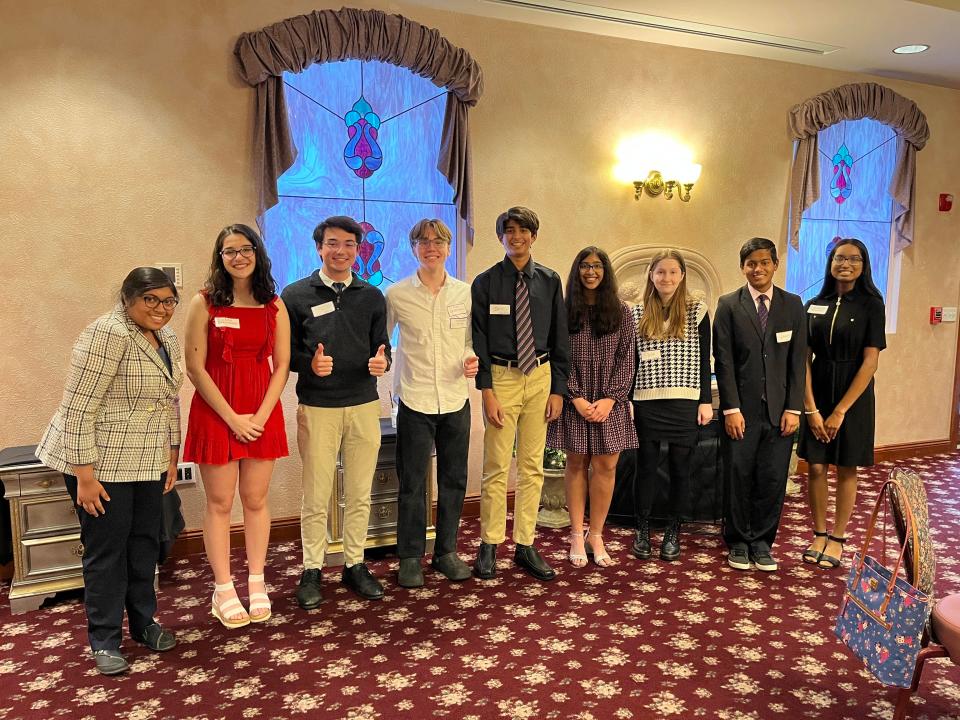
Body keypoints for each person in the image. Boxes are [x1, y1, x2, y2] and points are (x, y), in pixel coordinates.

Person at [36, 267, 183, 676]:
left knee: (144, 545)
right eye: (150, 300)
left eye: (168, 300)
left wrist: (172, 456)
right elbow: (78, 408)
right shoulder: (107, 333)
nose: (161, 308)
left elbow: (170, 400)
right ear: (128, 298)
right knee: (107, 552)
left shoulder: (166, 336)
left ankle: (143, 623)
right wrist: (84, 474)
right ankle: (104, 639)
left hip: (147, 460)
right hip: (101, 463)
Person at [183, 224, 290, 628]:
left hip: (261, 411)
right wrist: (231, 418)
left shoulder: (273, 305)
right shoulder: (204, 302)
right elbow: (195, 367)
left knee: (257, 500)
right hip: (217, 410)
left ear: (258, 254)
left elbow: (281, 366)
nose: (239, 257)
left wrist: (259, 418)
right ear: (220, 257)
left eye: (246, 249)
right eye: (230, 251)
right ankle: (223, 588)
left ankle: (257, 581)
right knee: (220, 503)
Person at [282, 216, 391, 606]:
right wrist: (307, 363)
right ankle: (312, 568)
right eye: (332, 243)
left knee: (359, 491)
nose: (340, 250)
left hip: (363, 405)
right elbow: (286, 353)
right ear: (319, 248)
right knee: (316, 492)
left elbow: (382, 347)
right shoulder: (295, 295)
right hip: (318, 407)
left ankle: (354, 563)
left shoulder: (372, 296)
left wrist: (383, 363)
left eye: (348, 244)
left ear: (358, 249)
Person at [471, 206, 569, 582]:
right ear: (501, 237)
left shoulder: (549, 279)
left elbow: (560, 338)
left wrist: (558, 389)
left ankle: (525, 544)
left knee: (532, 466)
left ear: (534, 236)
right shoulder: (486, 282)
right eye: (509, 231)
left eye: (523, 231)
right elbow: (478, 340)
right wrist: (486, 391)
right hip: (502, 377)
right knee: (496, 466)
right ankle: (489, 544)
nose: (516, 237)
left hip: (540, 376)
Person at [386, 219, 477, 588]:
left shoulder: (465, 293)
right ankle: (410, 556)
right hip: (414, 400)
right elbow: (381, 344)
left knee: (454, 480)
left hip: (456, 399)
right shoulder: (396, 295)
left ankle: (446, 552)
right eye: (422, 242)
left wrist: (473, 358)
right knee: (412, 482)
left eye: (438, 241)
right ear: (413, 248)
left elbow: (471, 341)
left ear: (448, 247)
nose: (431, 247)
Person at [713, 237, 806, 572]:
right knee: (738, 476)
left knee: (772, 477)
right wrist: (730, 409)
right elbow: (722, 361)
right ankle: (737, 540)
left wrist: (794, 408)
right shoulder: (728, 305)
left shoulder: (793, 305)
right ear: (743, 268)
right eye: (751, 263)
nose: (758, 269)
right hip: (742, 412)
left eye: (764, 262)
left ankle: (763, 542)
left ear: (775, 264)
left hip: (781, 412)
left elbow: (798, 361)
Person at [798, 238, 885, 569]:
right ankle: (818, 532)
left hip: (854, 396)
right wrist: (811, 409)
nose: (845, 264)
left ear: (864, 265)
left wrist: (839, 411)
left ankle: (837, 537)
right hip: (817, 387)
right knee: (816, 466)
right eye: (839, 258)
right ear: (829, 262)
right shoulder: (814, 304)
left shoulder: (871, 305)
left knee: (846, 467)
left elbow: (870, 363)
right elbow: (803, 359)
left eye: (854, 259)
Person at [547, 247, 636, 568]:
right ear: (577, 270)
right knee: (575, 463)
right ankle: (574, 534)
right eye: (584, 265)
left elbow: (628, 357)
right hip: (576, 400)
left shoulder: (622, 312)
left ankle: (595, 534)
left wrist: (612, 397)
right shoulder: (564, 310)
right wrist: (577, 397)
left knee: (606, 466)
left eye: (597, 266)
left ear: (606, 271)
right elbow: (557, 355)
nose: (591, 272)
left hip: (609, 402)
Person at [630, 249, 713, 562]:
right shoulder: (635, 312)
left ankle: (672, 530)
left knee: (681, 468)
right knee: (646, 467)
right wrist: (628, 400)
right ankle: (642, 528)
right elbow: (631, 360)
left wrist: (705, 400)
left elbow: (706, 359)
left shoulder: (697, 310)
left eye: (673, 272)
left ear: (682, 276)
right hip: (647, 400)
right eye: (661, 272)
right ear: (651, 275)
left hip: (685, 400)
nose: (667, 278)